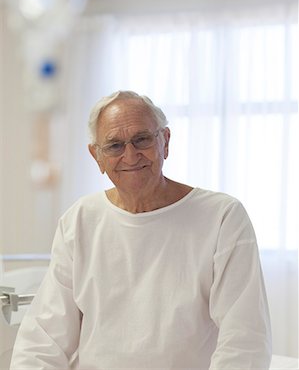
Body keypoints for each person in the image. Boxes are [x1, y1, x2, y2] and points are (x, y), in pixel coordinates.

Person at [10, 90, 272, 370]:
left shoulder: (222, 217)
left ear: (165, 142)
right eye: (114, 145)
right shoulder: (80, 220)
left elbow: (244, 339)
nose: (131, 155)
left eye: (142, 139)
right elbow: (43, 338)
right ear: (96, 156)